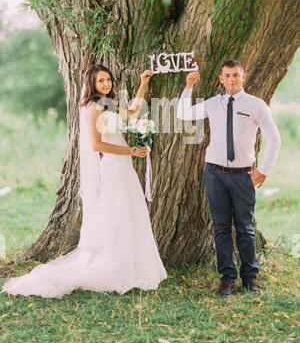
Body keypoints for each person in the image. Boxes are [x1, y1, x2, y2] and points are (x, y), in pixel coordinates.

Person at [1, 64, 167, 298]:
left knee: (128, 212)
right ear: (92, 84)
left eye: (108, 79)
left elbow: (131, 113)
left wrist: (143, 83)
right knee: (118, 215)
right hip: (112, 166)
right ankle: (116, 267)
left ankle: (131, 265)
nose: (106, 84)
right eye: (101, 81)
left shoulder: (106, 104)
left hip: (123, 167)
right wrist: (130, 150)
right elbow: (97, 145)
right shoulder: (92, 108)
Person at [177, 60, 281, 297]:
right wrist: (189, 86)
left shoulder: (256, 105)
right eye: (227, 76)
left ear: (243, 77)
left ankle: (250, 278)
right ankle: (227, 279)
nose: (231, 79)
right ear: (221, 79)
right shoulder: (214, 104)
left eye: (235, 75)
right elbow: (183, 114)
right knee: (221, 227)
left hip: (243, 175)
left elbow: (274, 139)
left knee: (245, 227)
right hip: (215, 173)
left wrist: (264, 169)